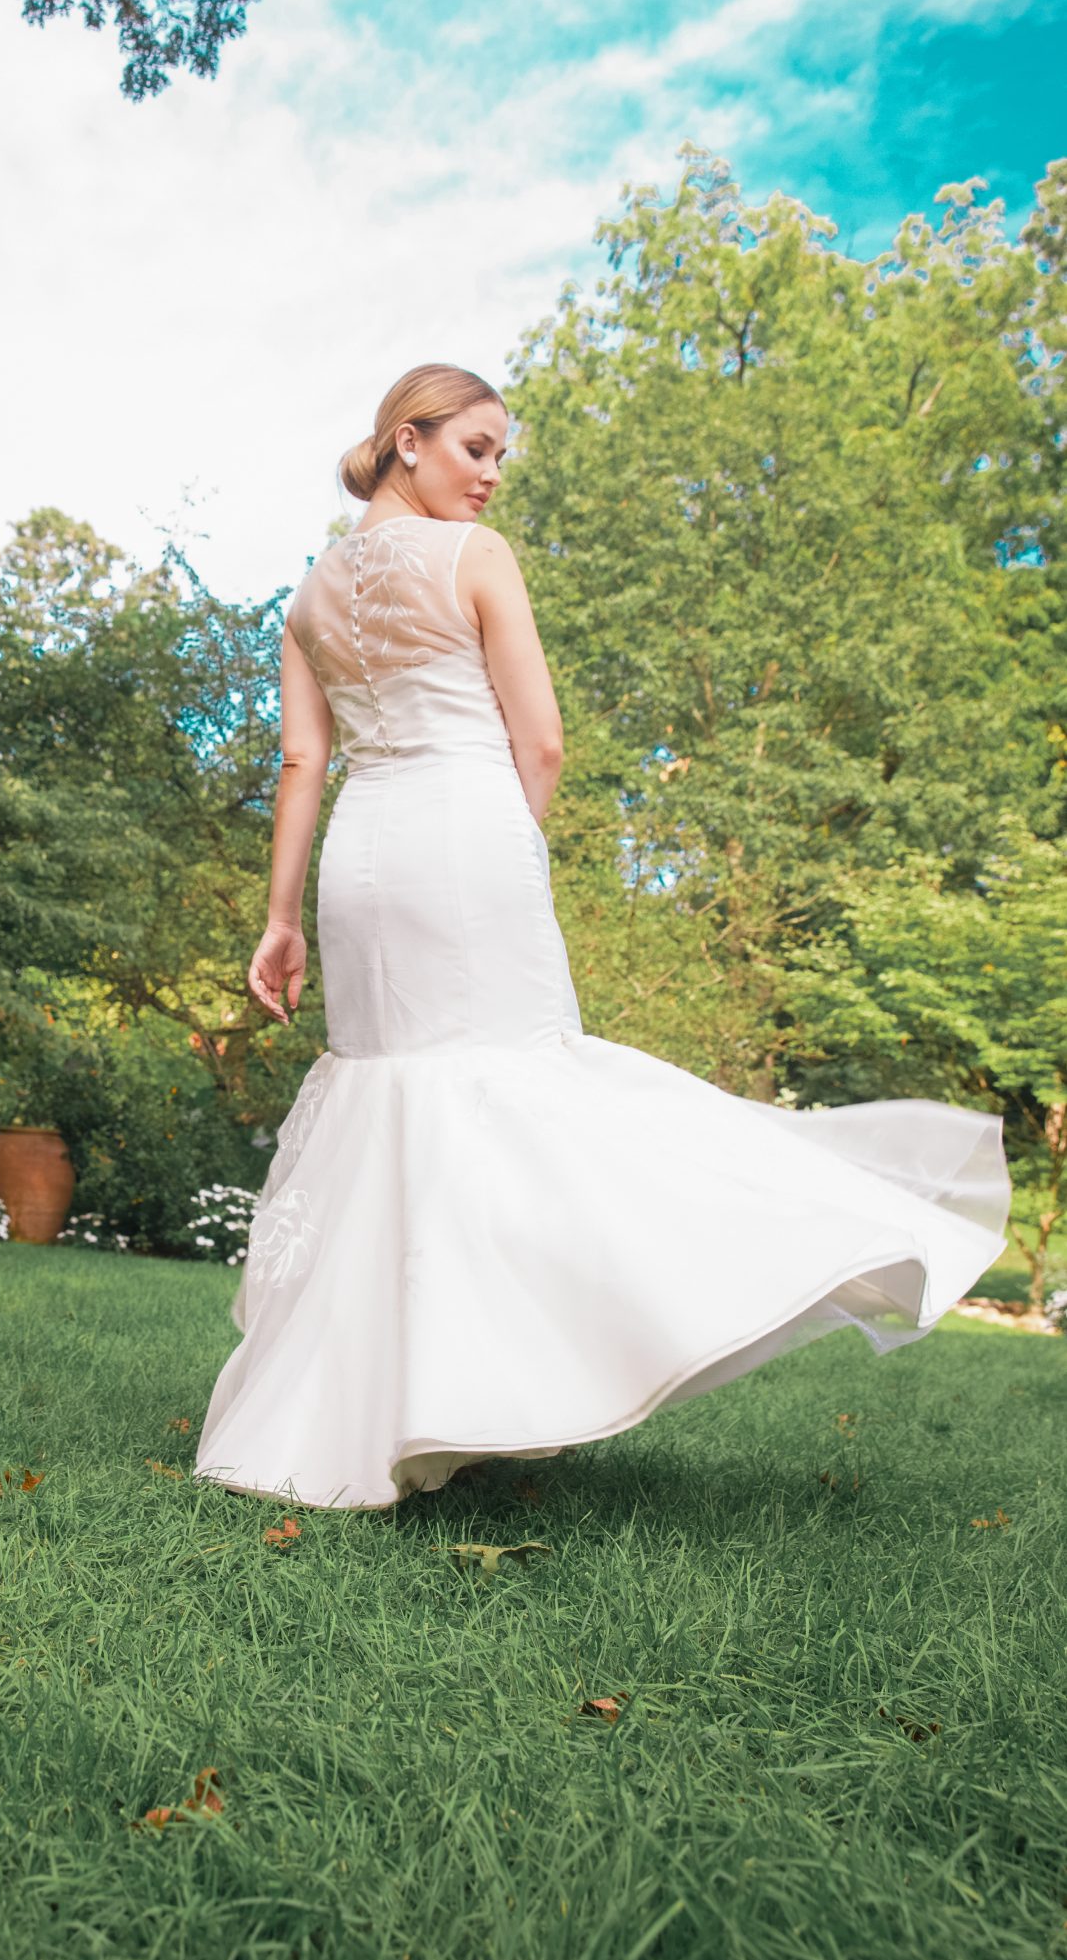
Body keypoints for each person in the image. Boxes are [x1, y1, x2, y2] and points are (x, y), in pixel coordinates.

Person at [192, 363, 1011, 1511]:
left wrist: (279, 921)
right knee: (520, 1090)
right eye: (476, 447)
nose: (490, 474)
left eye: (499, 456)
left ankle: (360, 1414)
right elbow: (544, 745)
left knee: (397, 1103)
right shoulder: (478, 561)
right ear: (409, 439)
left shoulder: (309, 596)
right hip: (466, 835)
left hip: (359, 861)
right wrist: (508, 851)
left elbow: (302, 764)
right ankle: (490, 1381)